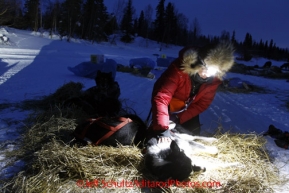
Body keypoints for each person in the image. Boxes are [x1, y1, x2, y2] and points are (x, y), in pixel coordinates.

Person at [150, 41, 235, 140]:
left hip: (185, 108)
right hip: (168, 104)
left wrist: (180, 118)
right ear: (199, 61)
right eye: (205, 67)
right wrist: (162, 129)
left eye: (213, 71)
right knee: (159, 133)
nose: (206, 73)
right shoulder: (179, 69)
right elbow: (162, 97)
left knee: (193, 134)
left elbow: (201, 104)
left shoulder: (213, 82)